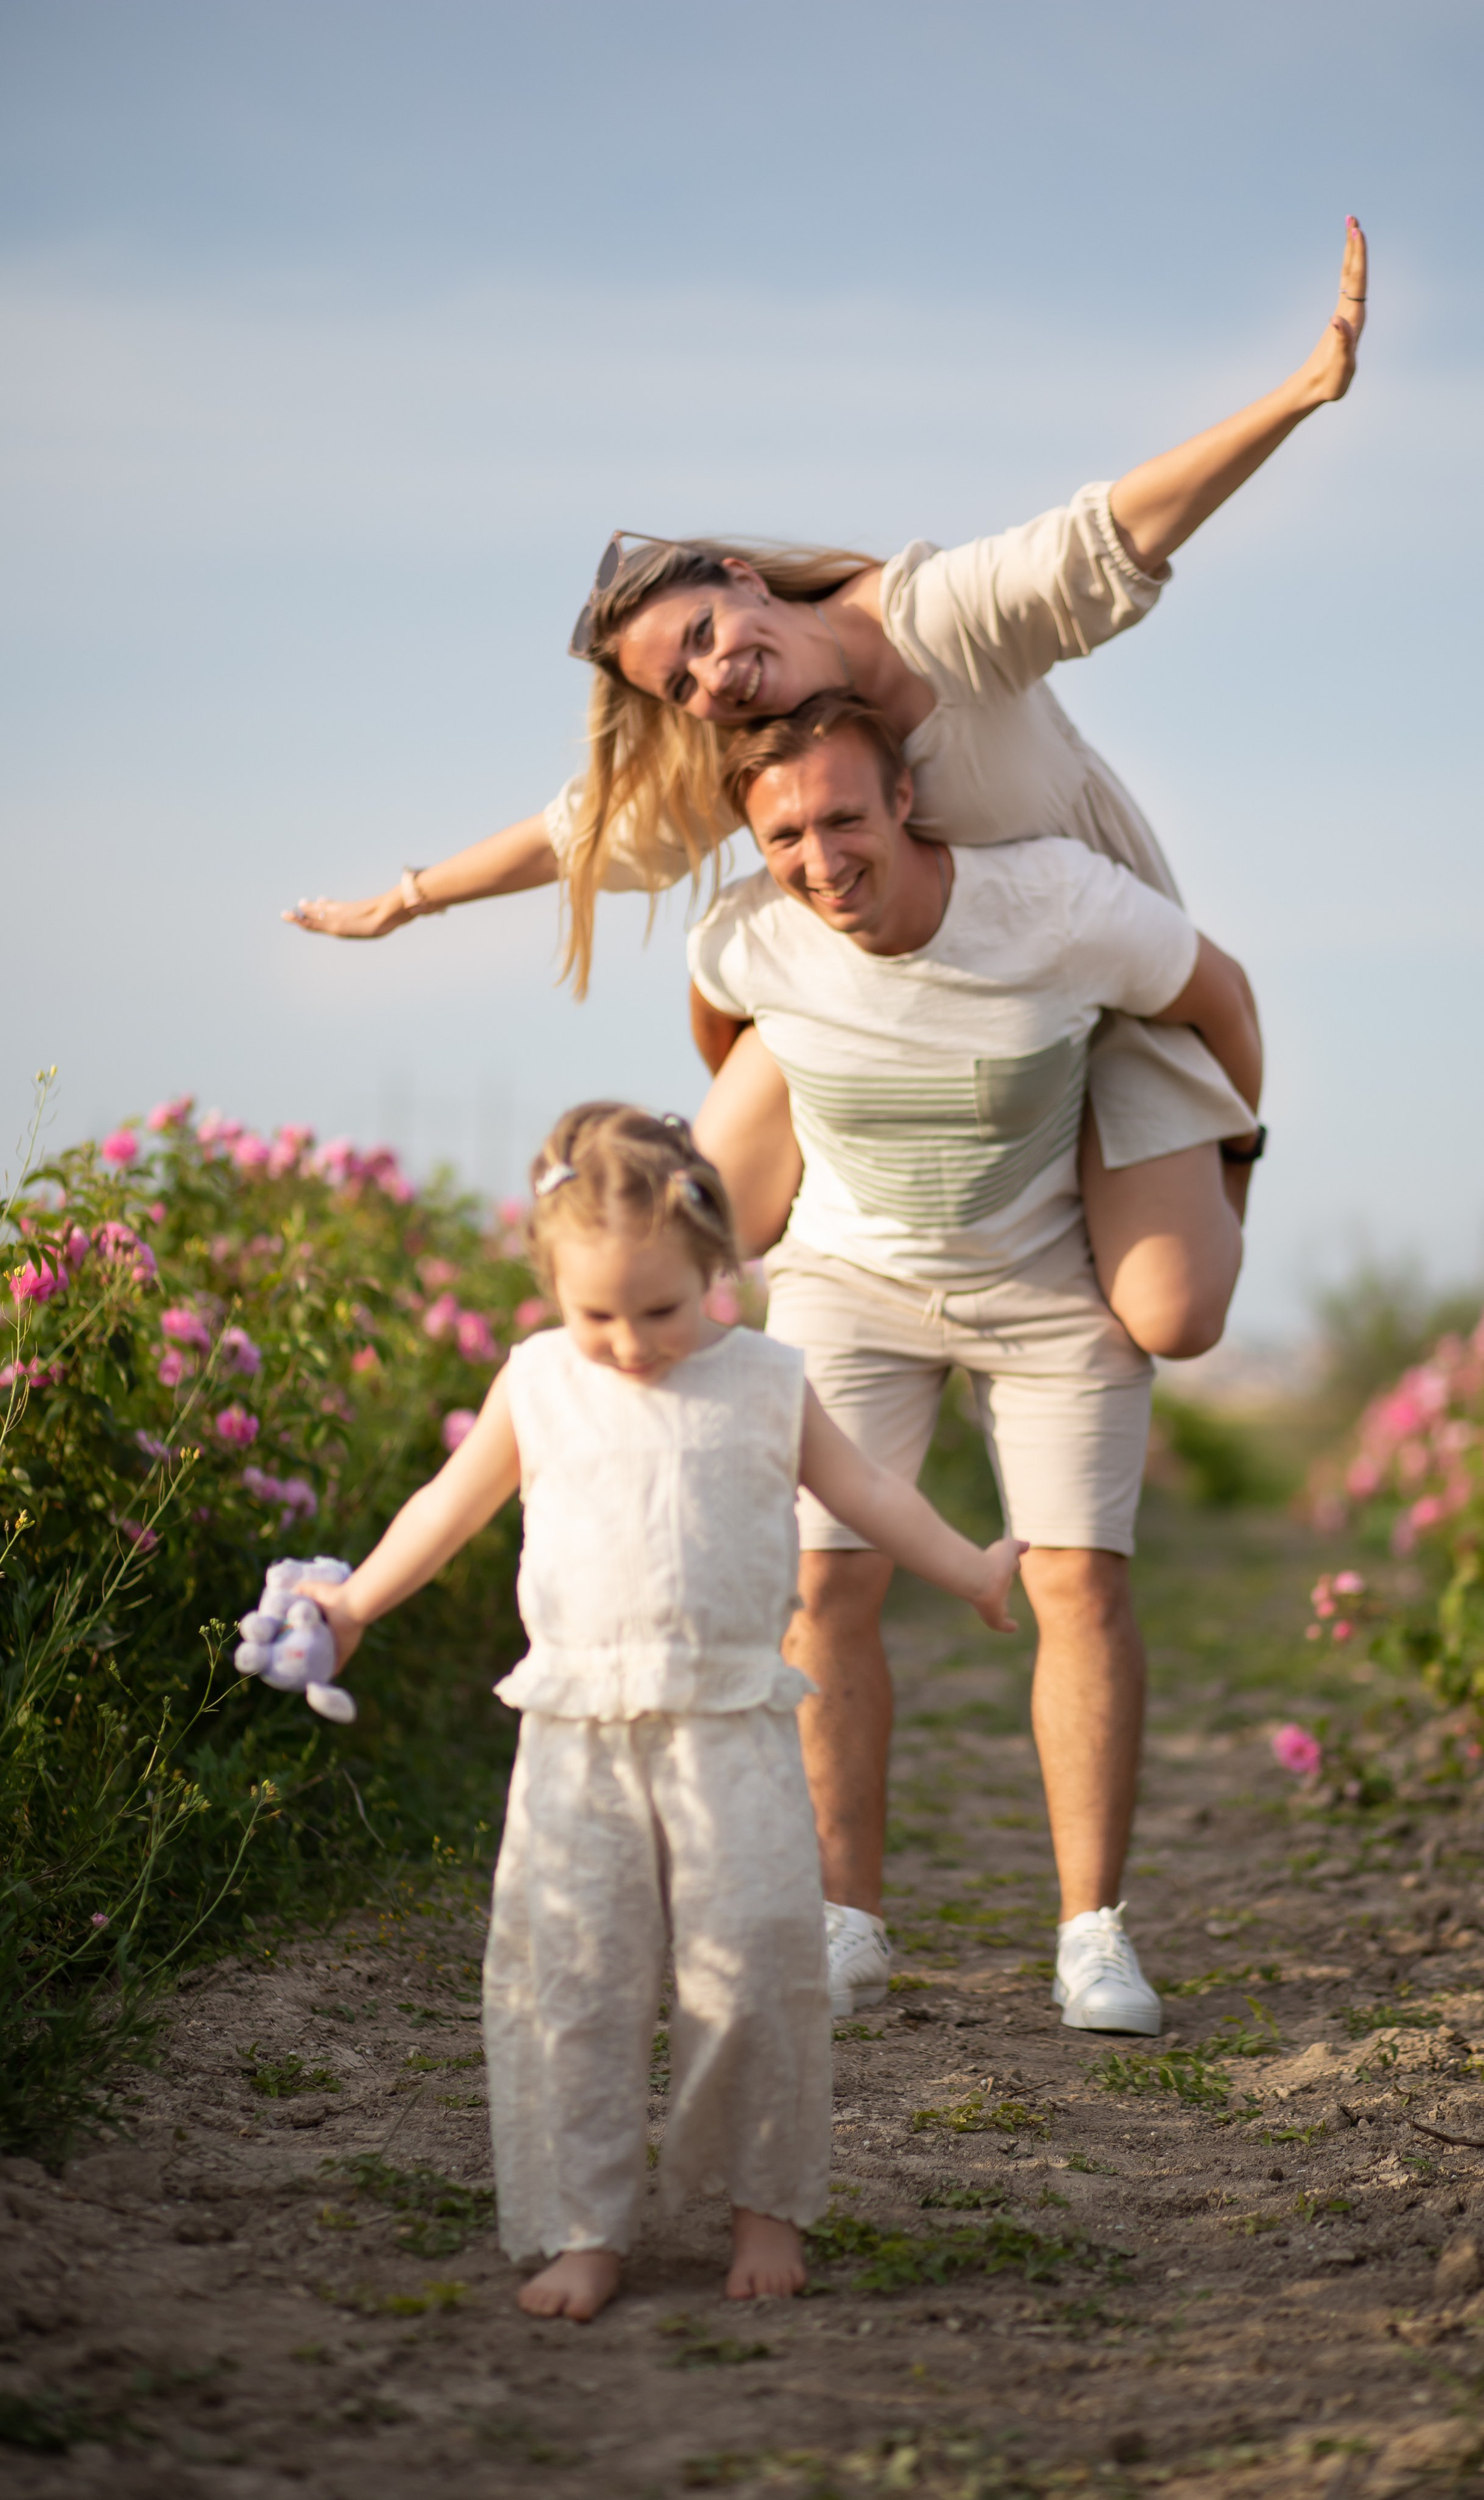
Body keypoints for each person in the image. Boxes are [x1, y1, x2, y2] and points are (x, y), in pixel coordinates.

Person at [286, 225, 1366, 1359]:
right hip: (905, 991)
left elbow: (1108, 536)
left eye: (705, 633)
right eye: (682, 681)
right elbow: (582, 837)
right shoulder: (746, 741)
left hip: (1087, 971)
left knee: (1174, 1320)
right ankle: (850, 1239)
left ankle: (1107, 1207)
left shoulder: (939, 619)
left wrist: (1300, 394)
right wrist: (407, 900)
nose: (714, 676)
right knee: (726, 1224)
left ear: (743, 578)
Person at [284, 1103, 1024, 2323]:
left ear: (717, 1270)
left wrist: (972, 1568)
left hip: (730, 1721)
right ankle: (584, 2223)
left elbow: (870, 1492)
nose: (627, 1343)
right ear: (553, 1290)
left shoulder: (768, 1382)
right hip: (576, 1723)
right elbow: (446, 1503)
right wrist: (356, 1600)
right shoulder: (536, 1380)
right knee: (574, 1970)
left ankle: (764, 2203)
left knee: (754, 1966)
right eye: (597, 1316)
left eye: (661, 1311)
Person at [687, 691, 1260, 2029]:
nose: (818, 857)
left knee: (1076, 1584)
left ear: (904, 799)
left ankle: (1091, 1935)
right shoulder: (747, 934)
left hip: (1048, 1278)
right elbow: (727, 1032)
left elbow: (1219, 998)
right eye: (783, 834)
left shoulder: (1055, 903)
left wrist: (1225, 1168)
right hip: (846, 1280)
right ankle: (843, 1924)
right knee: (824, 1593)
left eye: (842, 816)